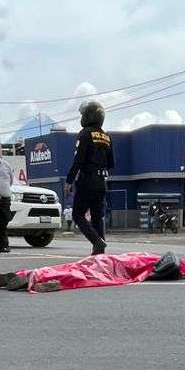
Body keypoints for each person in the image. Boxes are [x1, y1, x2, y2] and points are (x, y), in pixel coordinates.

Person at [65, 99, 113, 255]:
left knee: (77, 215)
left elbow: (78, 160)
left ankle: (97, 241)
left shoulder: (85, 134)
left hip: (87, 180)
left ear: (88, 115)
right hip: (102, 183)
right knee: (97, 217)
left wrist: (69, 181)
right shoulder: (106, 137)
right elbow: (111, 163)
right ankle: (100, 254)